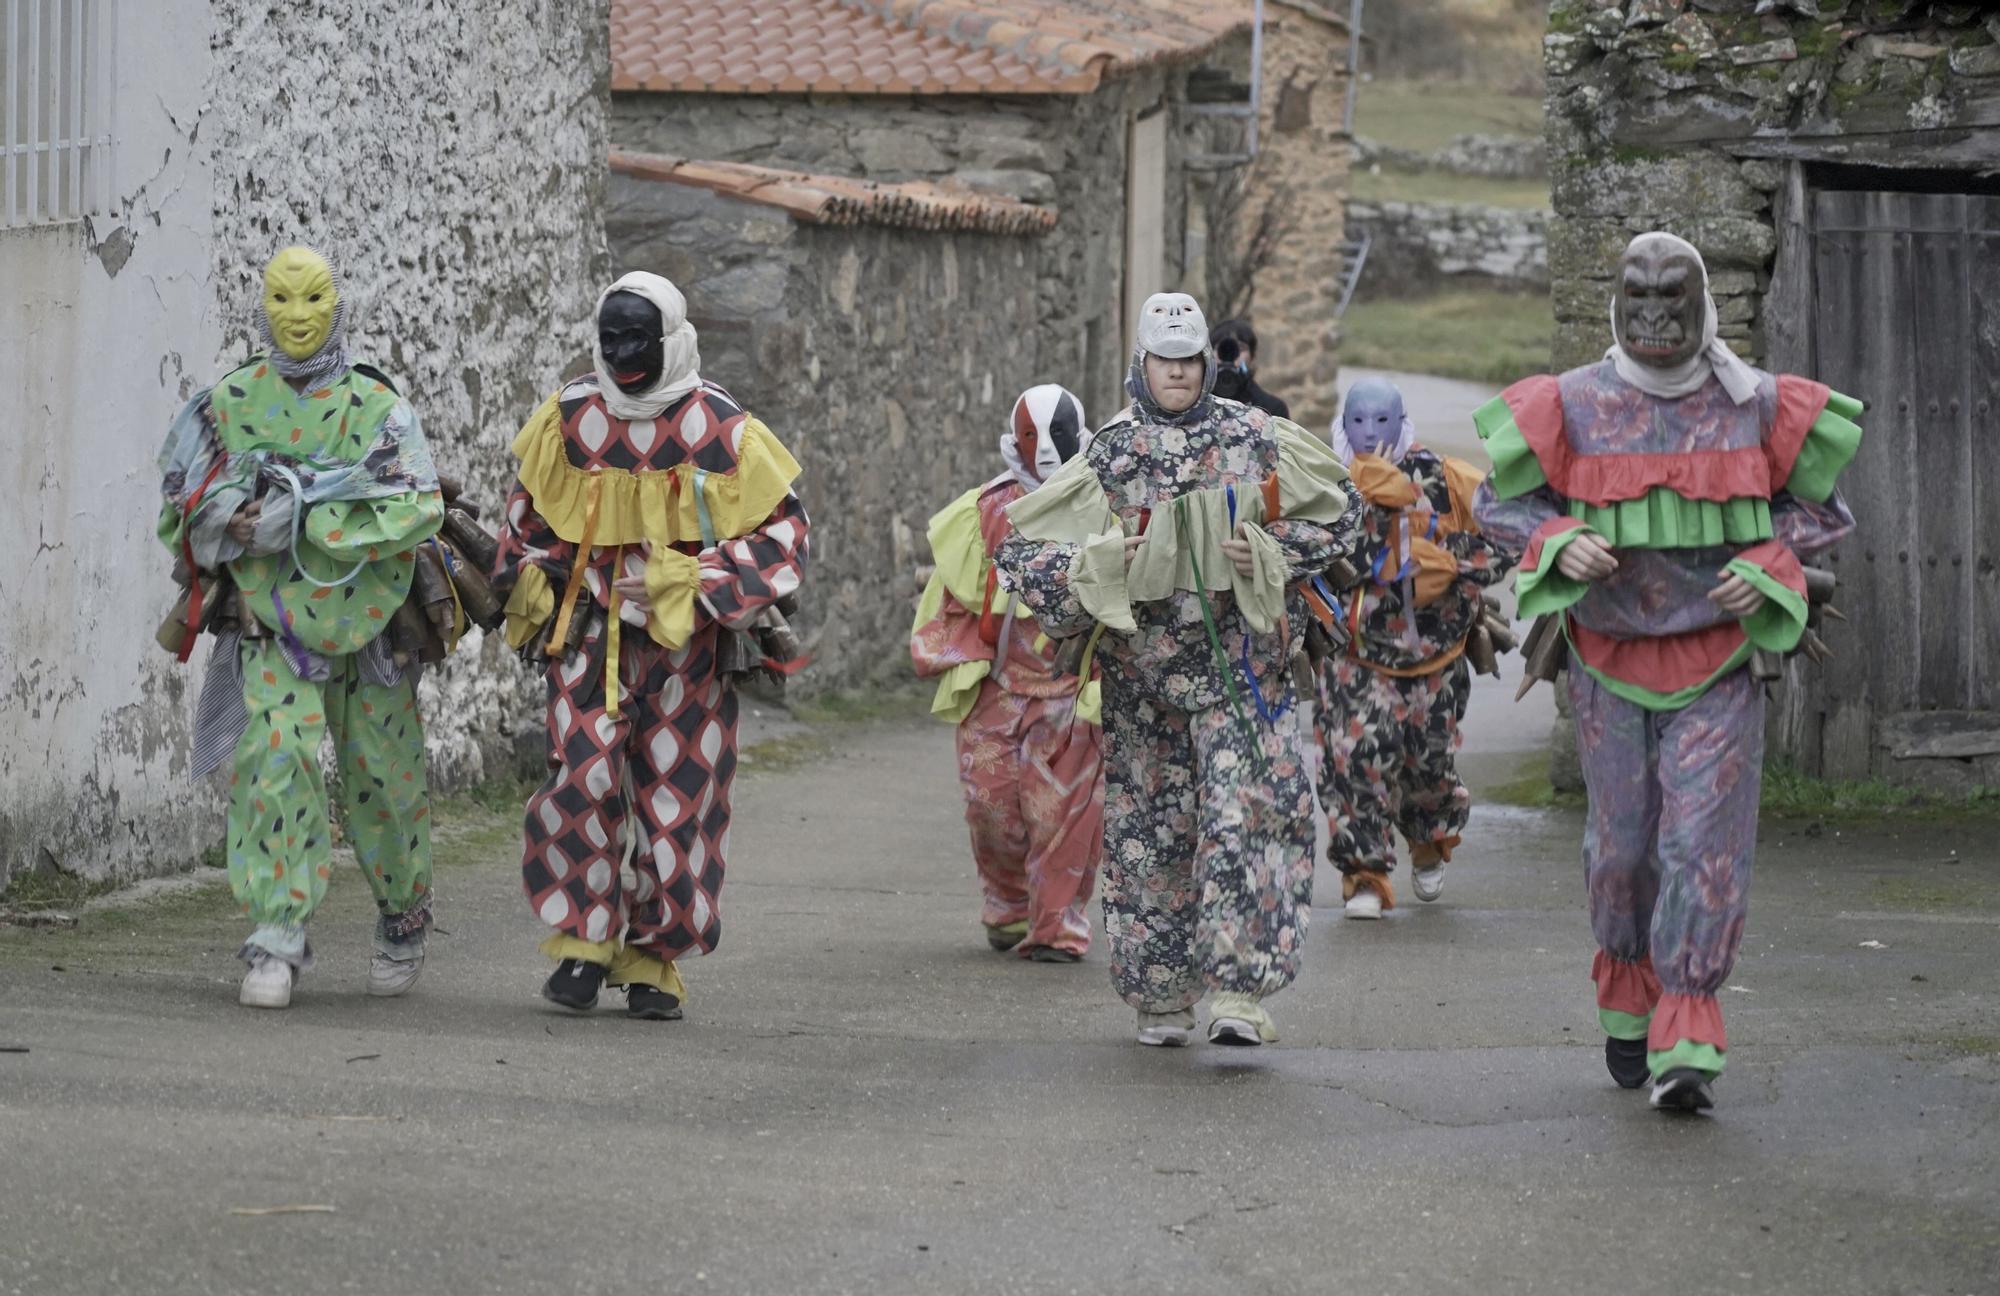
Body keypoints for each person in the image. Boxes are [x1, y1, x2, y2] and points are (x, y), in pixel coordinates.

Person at [1473, 232, 1862, 1112]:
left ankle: (1687, 1032)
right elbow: (1498, 502)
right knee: (1622, 849)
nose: (1652, 315)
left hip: (1717, 662)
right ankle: (1627, 999)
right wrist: (1556, 540)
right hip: (1606, 663)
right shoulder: (1570, 403)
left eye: (1670, 298)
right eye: (1636, 295)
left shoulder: (1755, 404)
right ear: (1615, 299)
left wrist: (1767, 560)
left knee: (1702, 845)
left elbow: (1822, 510)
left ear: (1700, 305)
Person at [995, 292, 1355, 1047]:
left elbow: (1342, 511)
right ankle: (1161, 996)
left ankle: (1240, 994)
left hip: (1242, 678)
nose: (1180, 376)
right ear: (1141, 364)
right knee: (1151, 842)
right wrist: (1094, 564)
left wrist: (1274, 550)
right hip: (1144, 687)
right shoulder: (1108, 456)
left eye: (1190, 361)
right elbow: (1024, 557)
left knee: (1245, 819)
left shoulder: (1258, 437)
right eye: (1165, 361)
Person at [492, 271, 809, 1021]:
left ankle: (652, 957)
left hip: (688, 654)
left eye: (639, 338)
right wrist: (534, 583)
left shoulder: (722, 430)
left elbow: (783, 538)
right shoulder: (570, 419)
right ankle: (584, 941)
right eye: (612, 338)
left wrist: (688, 578)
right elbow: (527, 520)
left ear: (672, 338)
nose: (624, 353)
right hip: (589, 639)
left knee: (681, 797)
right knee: (579, 784)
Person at [155, 245, 445, 1010]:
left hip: (369, 626)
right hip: (273, 626)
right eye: (281, 299)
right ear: (261, 306)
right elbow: (178, 500)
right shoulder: (229, 404)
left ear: (337, 305)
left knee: (381, 774)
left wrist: (313, 514)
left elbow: (417, 502)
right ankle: (276, 935)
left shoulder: (376, 407)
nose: (297, 316)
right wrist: (235, 518)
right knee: (274, 758)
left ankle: (403, 909)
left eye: (313, 298)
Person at [911, 385, 1105, 963]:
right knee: (990, 806)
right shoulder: (987, 510)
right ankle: (1008, 903)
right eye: (1031, 436)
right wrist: (952, 649)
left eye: (1058, 435)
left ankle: (1058, 927)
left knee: (1065, 815)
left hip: (1073, 693)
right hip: (999, 688)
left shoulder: (1104, 503)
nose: (1045, 450)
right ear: (1012, 439)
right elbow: (950, 592)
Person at [1318, 378, 1514, 919]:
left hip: (1437, 662)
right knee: (1354, 762)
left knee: (1427, 766)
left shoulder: (1448, 481)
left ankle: (1430, 843)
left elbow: (1509, 536)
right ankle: (1365, 875)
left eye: (1383, 421)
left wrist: (1448, 562)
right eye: (1359, 420)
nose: (1371, 433)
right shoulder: (1323, 482)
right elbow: (1299, 555)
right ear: (1343, 422)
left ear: (1402, 422)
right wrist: (1365, 520)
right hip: (1356, 661)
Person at [1210, 318, 1290, 419]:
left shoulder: (1272, 408)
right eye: (1223, 348)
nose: (1230, 355)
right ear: (1210, 354)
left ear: (1252, 357)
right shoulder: (1197, 402)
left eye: (1240, 348)